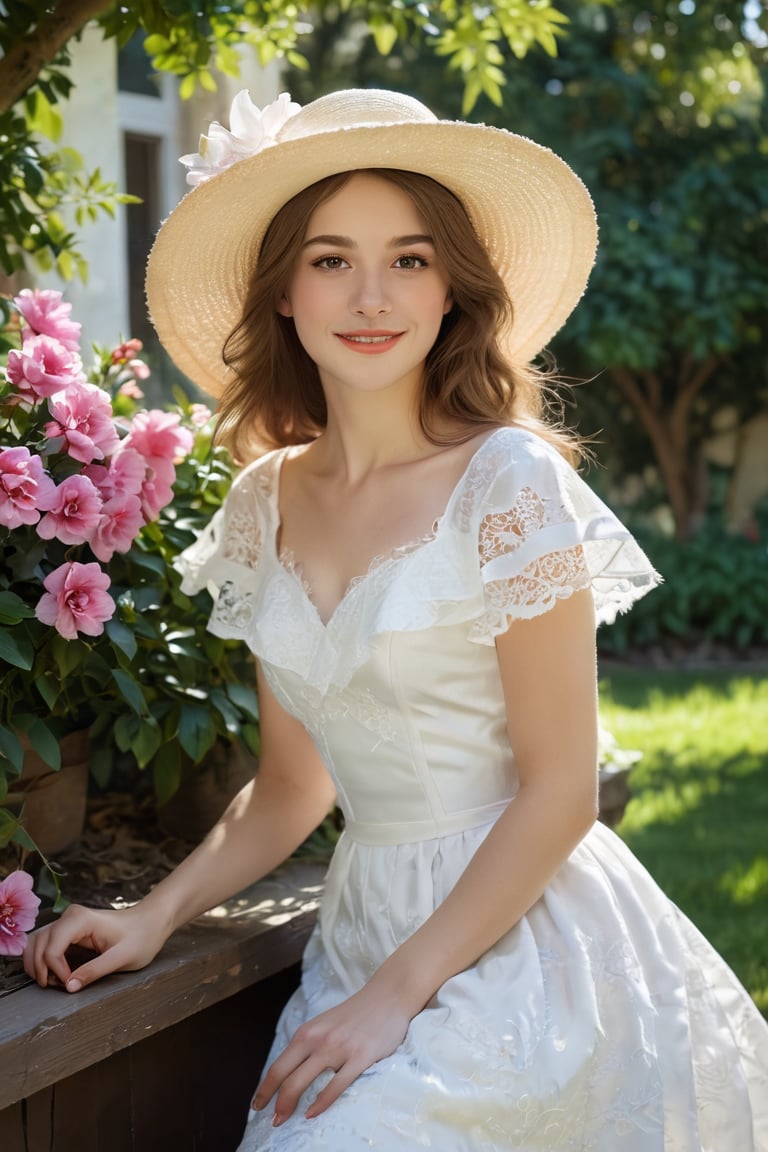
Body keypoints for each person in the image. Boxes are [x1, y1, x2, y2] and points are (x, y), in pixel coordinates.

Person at [24, 88, 768, 1150]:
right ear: (282, 289)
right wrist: (155, 914)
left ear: (452, 288)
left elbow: (562, 790)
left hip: (521, 936)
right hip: (366, 922)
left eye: (410, 259)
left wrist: (398, 997)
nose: (371, 295)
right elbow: (291, 788)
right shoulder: (264, 502)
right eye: (331, 259)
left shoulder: (505, 481)